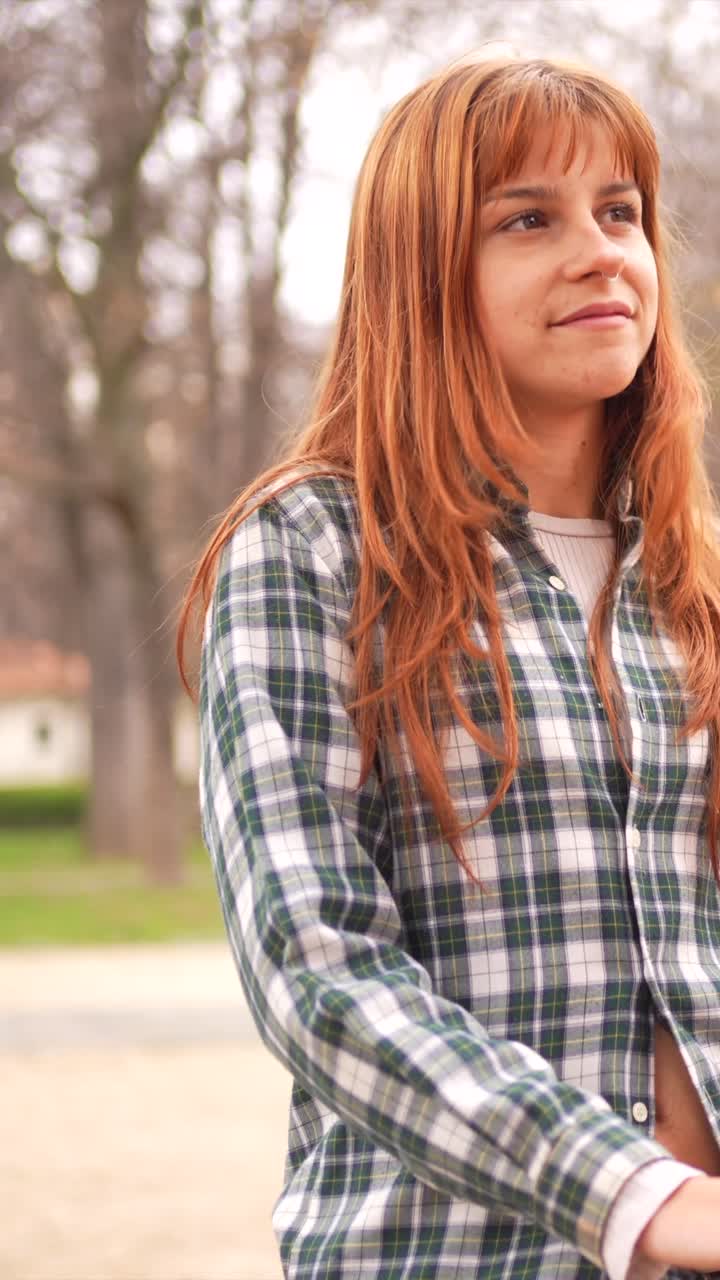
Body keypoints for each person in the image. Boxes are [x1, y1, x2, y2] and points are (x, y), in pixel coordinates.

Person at [177, 52, 720, 1277]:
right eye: (528, 218)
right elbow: (317, 967)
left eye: (619, 211)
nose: (599, 251)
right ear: (423, 273)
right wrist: (637, 1194)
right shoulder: (314, 549)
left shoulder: (697, 582)